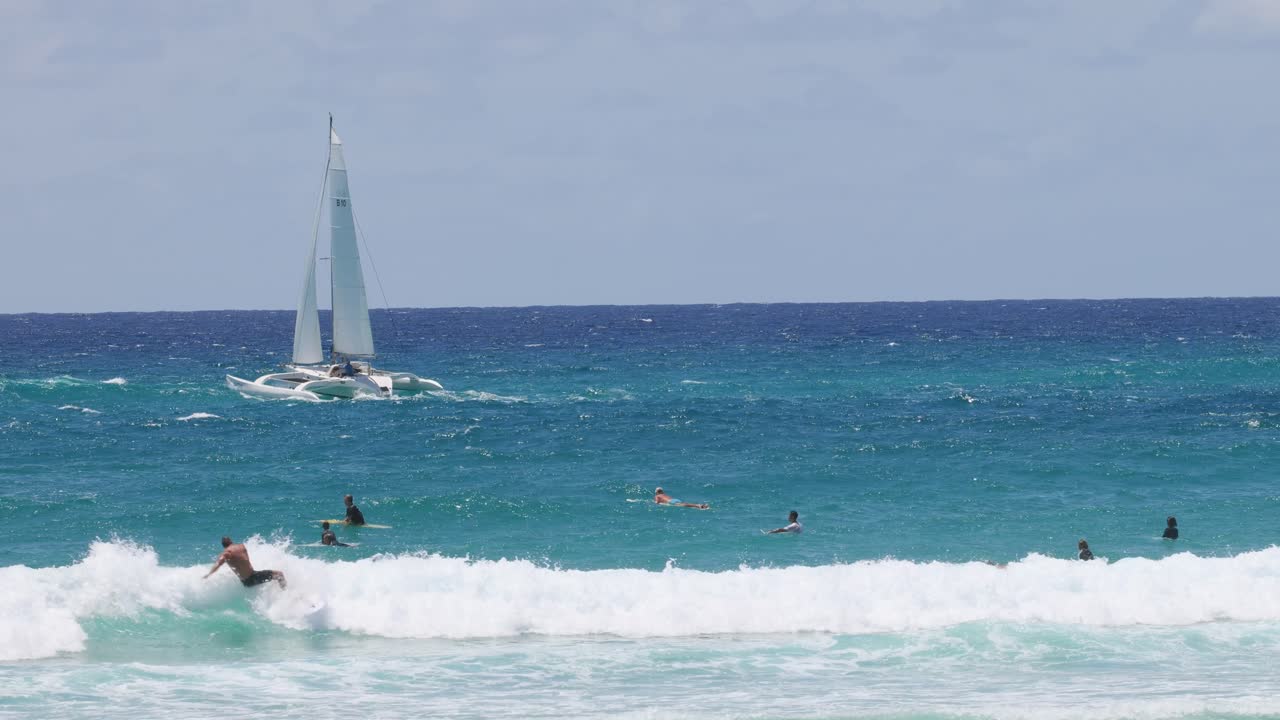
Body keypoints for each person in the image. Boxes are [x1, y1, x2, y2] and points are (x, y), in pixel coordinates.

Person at [204, 536, 286, 588]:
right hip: (252, 577)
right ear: (231, 541)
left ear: (223, 545)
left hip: (246, 581)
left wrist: (209, 574)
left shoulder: (226, 553)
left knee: (272, 577)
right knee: (279, 574)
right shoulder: (241, 546)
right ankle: (285, 592)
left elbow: (218, 564)